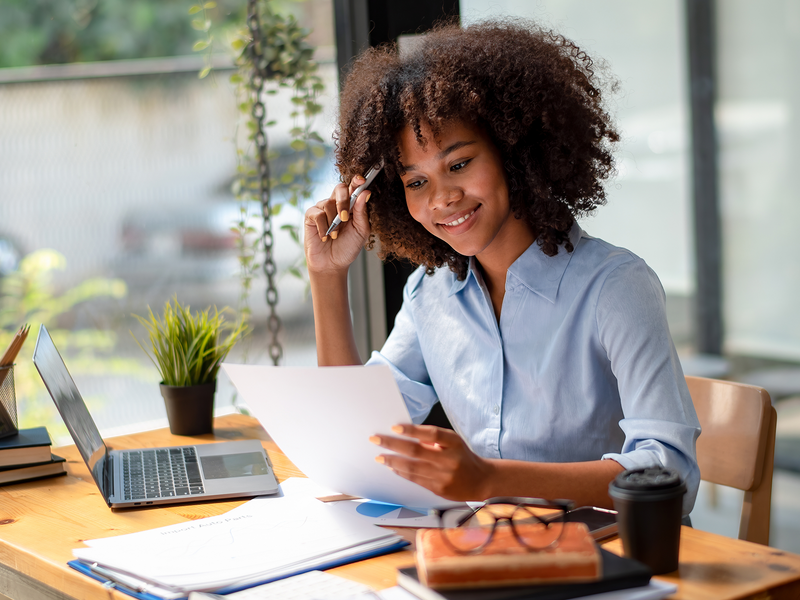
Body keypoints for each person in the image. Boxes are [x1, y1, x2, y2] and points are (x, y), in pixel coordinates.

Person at [304, 19, 700, 514]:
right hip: (492, 547)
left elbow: (671, 473)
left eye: (459, 164)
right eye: (416, 182)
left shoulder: (614, 288)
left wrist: (489, 479)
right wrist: (327, 276)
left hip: (607, 562)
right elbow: (353, 443)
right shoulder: (431, 293)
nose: (443, 198)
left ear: (514, 151)